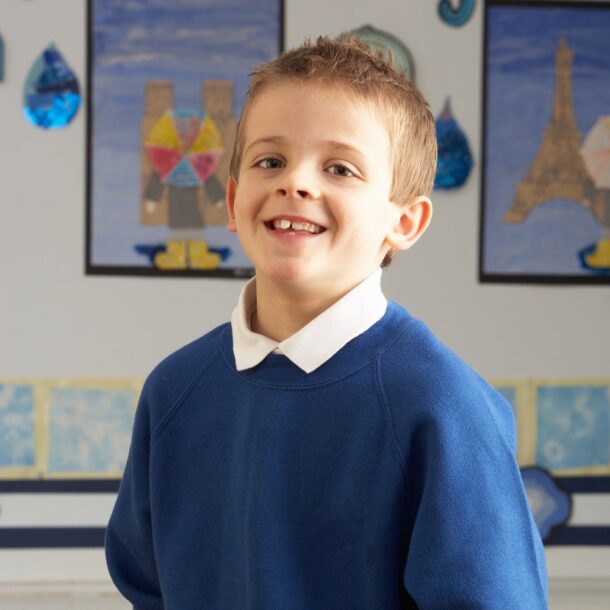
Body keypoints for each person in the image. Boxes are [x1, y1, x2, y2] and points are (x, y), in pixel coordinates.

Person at [105, 35, 548, 609]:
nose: (297, 183)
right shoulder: (173, 390)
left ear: (406, 221)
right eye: (271, 161)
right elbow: (146, 585)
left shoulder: (442, 404)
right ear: (234, 198)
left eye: (340, 168)